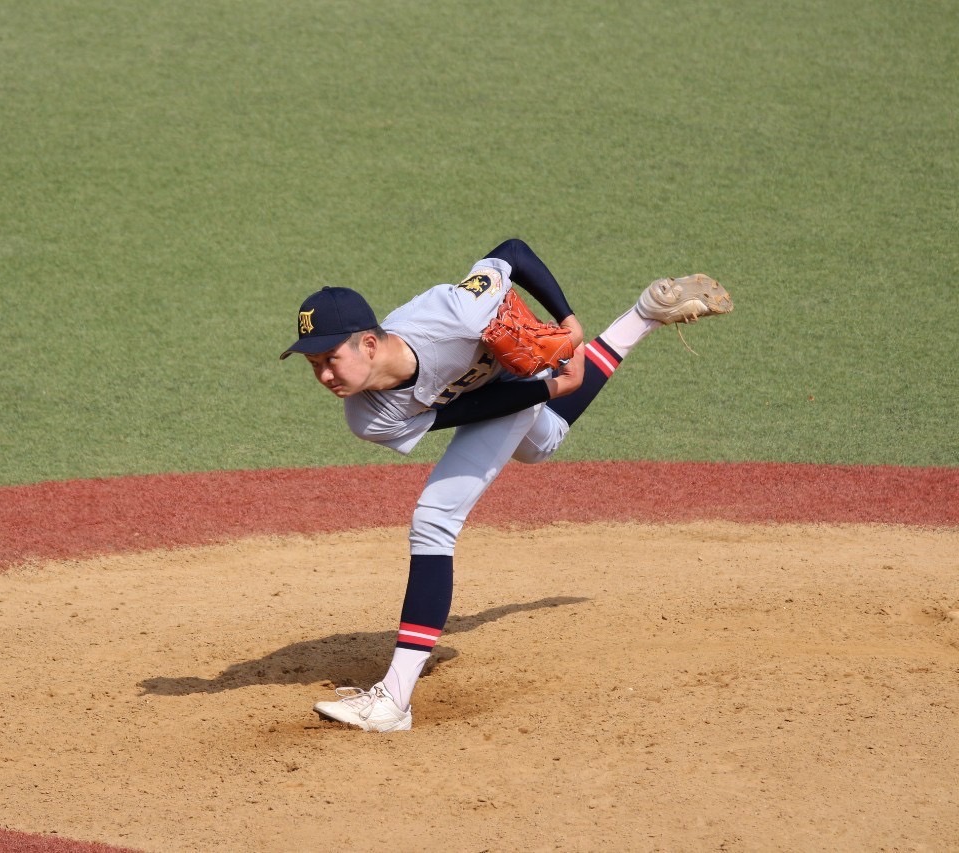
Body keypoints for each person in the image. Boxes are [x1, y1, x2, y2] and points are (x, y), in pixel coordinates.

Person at [279, 238, 733, 732]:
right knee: (541, 444)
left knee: (434, 519)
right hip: (506, 388)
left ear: (368, 344)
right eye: (313, 365)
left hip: (521, 363)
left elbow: (511, 252)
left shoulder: (453, 314)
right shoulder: (366, 416)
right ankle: (645, 314)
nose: (324, 375)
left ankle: (393, 701)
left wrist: (569, 323)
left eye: (330, 359)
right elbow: (464, 412)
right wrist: (547, 390)